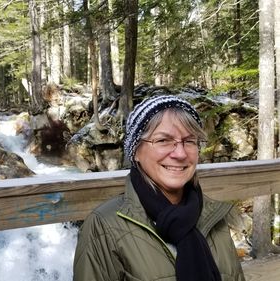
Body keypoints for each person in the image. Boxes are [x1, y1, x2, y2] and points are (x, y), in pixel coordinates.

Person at [73, 95, 245, 281]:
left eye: (189, 141)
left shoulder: (214, 216)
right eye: (163, 140)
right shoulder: (103, 227)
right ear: (136, 151)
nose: (180, 153)